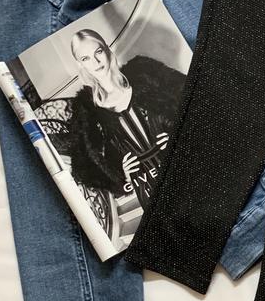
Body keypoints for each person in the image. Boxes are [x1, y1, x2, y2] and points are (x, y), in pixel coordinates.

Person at [67, 28, 186, 209]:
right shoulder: (87, 112)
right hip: (147, 185)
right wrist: (122, 176)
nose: (96, 62)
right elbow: (85, 167)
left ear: (107, 50)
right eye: (85, 58)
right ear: (80, 65)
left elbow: (193, 97)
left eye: (98, 52)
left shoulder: (146, 74)